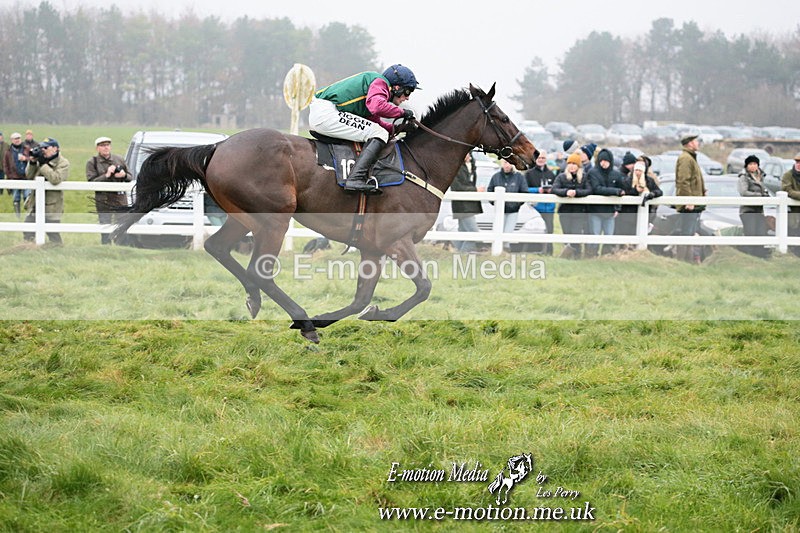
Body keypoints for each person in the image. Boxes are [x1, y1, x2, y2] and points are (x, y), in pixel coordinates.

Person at [309, 64, 419, 194]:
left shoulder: (374, 92)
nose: (407, 97)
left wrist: (401, 128)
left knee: (378, 131)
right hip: (326, 113)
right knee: (379, 133)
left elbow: (377, 123)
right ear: (397, 87)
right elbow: (377, 107)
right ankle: (355, 178)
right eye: (407, 91)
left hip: (323, 113)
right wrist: (402, 113)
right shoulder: (381, 83)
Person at [86, 137, 132, 244]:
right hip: (103, 198)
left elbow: (130, 177)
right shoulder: (92, 162)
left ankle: (123, 248)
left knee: (122, 224)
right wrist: (106, 175)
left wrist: (123, 175)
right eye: (102, 145)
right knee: (105, 226)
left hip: (120, 198)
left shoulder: (119, 159)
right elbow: (91, 182)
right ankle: (106, 248)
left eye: (107, 145)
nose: (106, 147)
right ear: (97, 148)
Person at [23, 137, 68, 244]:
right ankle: (28, 249)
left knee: (53, 233)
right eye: (42, 147)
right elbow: (29, 176)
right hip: (35, 202)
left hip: (52, 204)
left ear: (55, 149)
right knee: (28, 229)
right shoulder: (40, 159)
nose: (43, 149)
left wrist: (43, 165)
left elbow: (56, 179)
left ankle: (57, 250)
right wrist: (33, 163)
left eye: (46, 147)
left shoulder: (63, 163)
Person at [586, 148, 625, 257]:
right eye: (602, 161)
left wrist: (618, 208)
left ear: (610, 161)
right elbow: (597, 189)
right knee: (595, 235)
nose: (604, 163)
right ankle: (592, 256)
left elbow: (622, 192)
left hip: (610, 211)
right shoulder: (593, 172)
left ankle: (606, 256)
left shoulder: (616, 174)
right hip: (595, 211)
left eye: (606, 161)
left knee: (609, 235)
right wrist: (615, 192)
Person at [673, 134, 706, 263]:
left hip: (695, 202)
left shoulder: (690, 157)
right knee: (686, 233)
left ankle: (689, 261)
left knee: (691, 233)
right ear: (690, 143)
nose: (698, 143)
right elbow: (683, 181)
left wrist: (702, 191)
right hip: (690, 204)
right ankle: (682, 261)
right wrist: (689, 200)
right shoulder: (686, 159)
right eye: (696, 141)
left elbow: (693, 180)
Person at [552, 152, 591, 258]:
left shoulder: (583, 177)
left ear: (578, 166)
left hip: (579, 212)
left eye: (575, 164)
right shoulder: (561, 177)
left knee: (576, 234)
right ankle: (567, 257)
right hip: (565, 211)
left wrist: (576, 193)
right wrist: (566, 192)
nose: (572, 166)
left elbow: (588, 190)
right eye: (570, 163)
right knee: (567, 234)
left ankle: (577, 256)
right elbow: (555, 189)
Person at [617, 160, 663, 242]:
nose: (638, 172)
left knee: (641, 235)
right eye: (636, 170)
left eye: (640, 170)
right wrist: (635, 190)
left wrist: (652, 194)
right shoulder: (627, 181)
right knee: (628, 237)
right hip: (628, 214)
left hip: (644, 213)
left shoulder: (649, 181)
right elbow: (625, 193)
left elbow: (659, 192)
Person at [736, 154, 771, 258]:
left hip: (759, 210)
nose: (753, 166)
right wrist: (759, 196)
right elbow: (743, 192)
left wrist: (765, 196)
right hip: (748, 210)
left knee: (761, 233)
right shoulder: (744, 177)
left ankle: (760, 257)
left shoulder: (760, 177)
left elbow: (763, 190)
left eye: (755, 164)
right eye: (750, 164)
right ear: (746, 166)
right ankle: (749, 257)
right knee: (750, 233)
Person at [524, 150, 556, 255]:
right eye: (539, 158)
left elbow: (556, 188)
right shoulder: (529, 174)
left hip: (549, 208)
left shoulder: (551, 174)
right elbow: (524, 189)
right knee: (534, 230)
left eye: (543, 158)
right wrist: (538, 190)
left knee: (549, 230)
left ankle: (549, 252)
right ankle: (533, 251)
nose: (541, 160)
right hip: (535, 208)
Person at [449, 153, 483, 253]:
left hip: (470, 204)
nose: (468, 155)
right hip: (461, 205)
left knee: (463, 231)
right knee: (473, 232)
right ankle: (463, 253)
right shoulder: (455, 168)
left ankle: (455, 251)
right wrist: (475, 190)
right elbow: (457, 187)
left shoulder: (471, 167)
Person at [487, 159, 528, 240]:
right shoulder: (496, 177)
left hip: (513, 211)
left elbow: (524, 192)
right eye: (505, 162)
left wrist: (516, 204)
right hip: (499, 211)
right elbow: (490, 191)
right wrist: (495, 203)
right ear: (502, 163)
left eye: (509, 163)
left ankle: (506, 249)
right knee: (498, 231)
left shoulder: (519, 177)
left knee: (508, 233)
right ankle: (499, 251)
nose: (507, 165)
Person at [3, 132, 31, 218]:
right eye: (15, 139)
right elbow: (5, 165)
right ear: (12, 140)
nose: (17, 140)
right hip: (14, 178)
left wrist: (25, 159)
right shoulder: (8, 152)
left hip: (26, 177)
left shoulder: (27, 149)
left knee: (27, 196)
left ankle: (28, 214)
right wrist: (9, 176)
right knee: (16, 197)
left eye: (18, 138)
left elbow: (33, 159)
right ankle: (17, 216)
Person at [780, 151, 800, 257]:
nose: (798, 164)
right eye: (797, 161)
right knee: (793, 232)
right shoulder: (788, 175)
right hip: (793, 211)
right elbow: (787, 190)